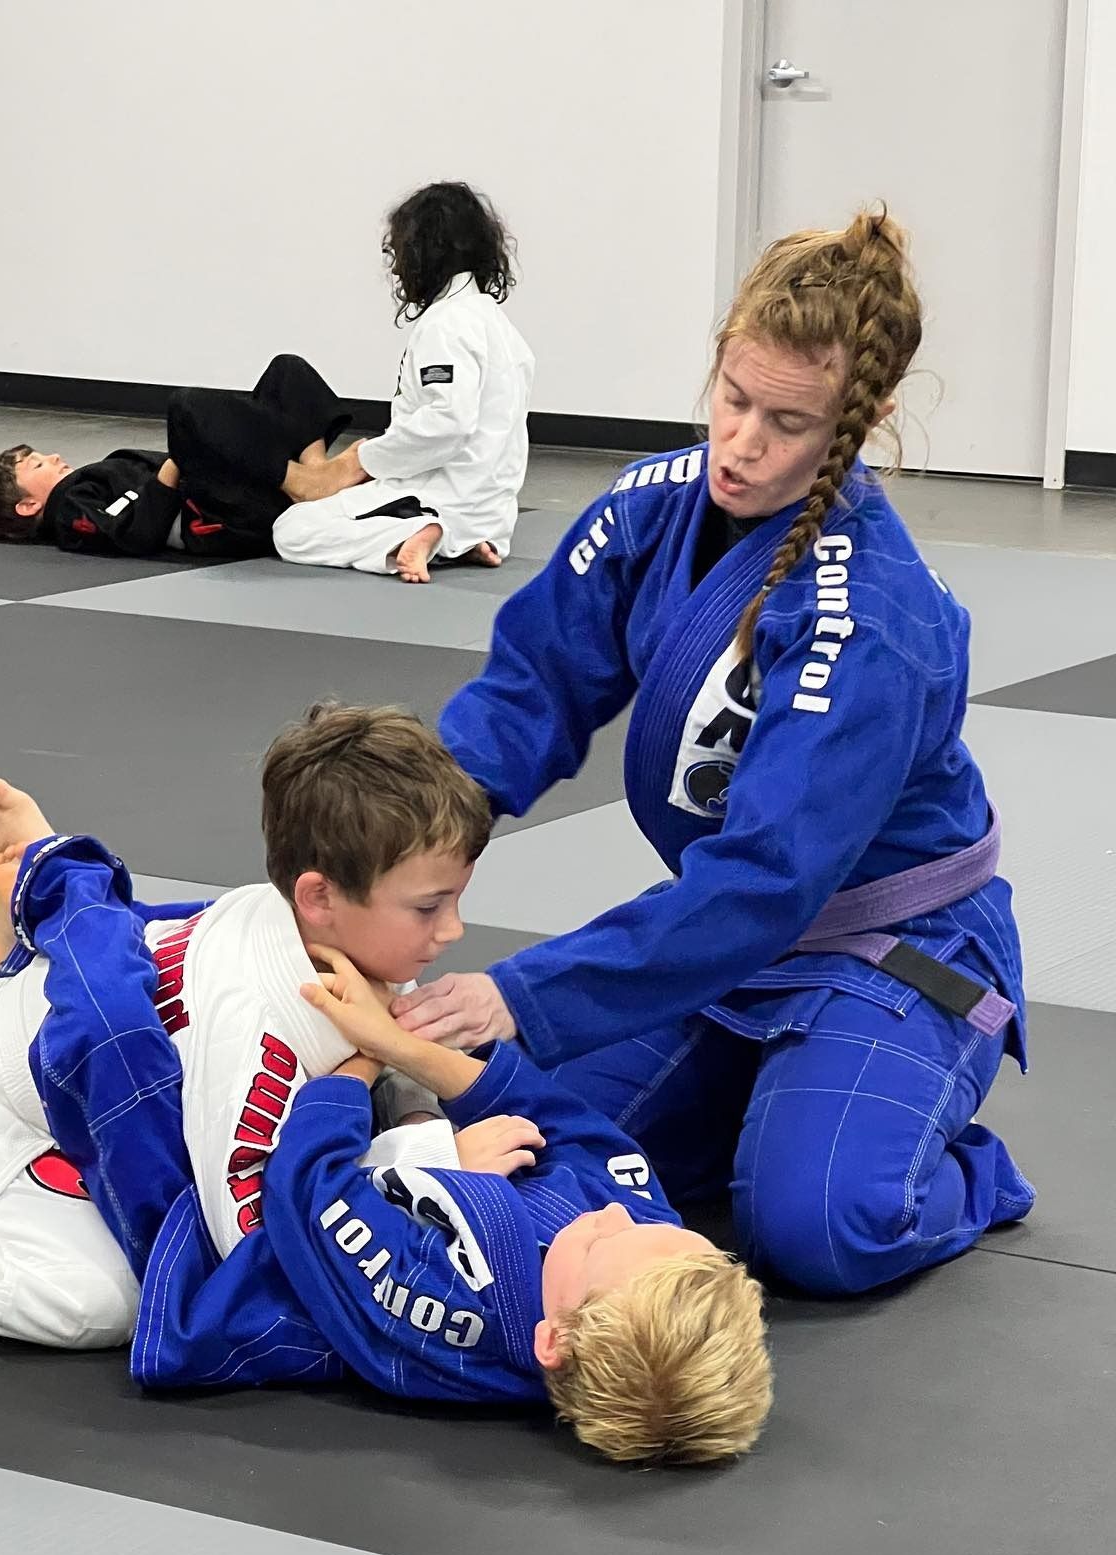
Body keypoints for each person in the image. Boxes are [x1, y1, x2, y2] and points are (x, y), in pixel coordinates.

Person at [391, 208, 1036, 1299]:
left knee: (818, 1230)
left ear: (859, 421)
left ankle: (958, 1166)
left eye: (788, 423)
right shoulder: (652, 510)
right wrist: (406, 855)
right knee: (519, 1138)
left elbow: (765, 877)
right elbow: (534, 685)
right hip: (730, 944)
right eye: (734, 401)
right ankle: (773, 1103)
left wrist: (524, 991)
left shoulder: (868, 619)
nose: (741, 444)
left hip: (893, 948)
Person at [0, 704, 491, 1346]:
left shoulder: (341, 935)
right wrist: (423, 1164)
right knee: (102, 1302)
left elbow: (390, 1058)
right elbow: (254, 1236)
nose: (453, 930)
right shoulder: (255, 1041)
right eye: (431, 907)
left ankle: (12, 957)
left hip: (67, 1058)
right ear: (320, 897)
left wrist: (413, 1115)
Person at [272, 182, 534, 583]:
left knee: (292, 529)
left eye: (400, 254)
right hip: (490, 512)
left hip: (439, 497)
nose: (396, 269)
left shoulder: (446, 324)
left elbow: (448, 423)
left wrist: (363, 461)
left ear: (425, 251)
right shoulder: (499, 327)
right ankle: (455, 541)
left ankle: (414, 533)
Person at [0, 355, 350, 558]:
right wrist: (185, 452)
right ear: (29, 505)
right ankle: (303, 482)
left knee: (286, 371)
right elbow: (139, 533)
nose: (54, 456)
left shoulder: (95, 479)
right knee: (187, 408)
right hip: (221, 517)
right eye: (38, 464)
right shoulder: (71, 509)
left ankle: (312, 475)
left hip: (230, 490)